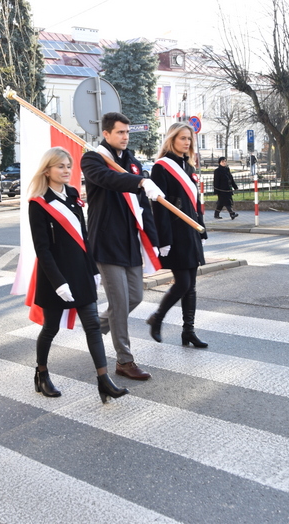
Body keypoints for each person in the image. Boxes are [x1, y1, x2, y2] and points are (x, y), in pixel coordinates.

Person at [27, 147, 129, 403]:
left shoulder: (73, 195)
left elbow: (83, 238)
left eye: (68, 166)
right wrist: (58, 282)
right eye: (60, 166)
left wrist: (93, 270)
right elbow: (42, 249)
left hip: (81, 272)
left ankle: (103, 380)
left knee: (93, 327)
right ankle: (41, 373)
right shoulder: (38, 204)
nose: (66, 171)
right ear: (47, 170)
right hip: (55, 277)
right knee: (50, 328)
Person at [81, 112, 164, 380]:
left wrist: (156, 241)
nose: (125, 137)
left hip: (130, 241)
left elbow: (144, 206)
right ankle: (124, 361)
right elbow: (109, 180)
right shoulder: (92, 159)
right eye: (120, 132)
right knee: (119, 301)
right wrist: (138, 181)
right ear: (106, 134)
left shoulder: (132, 162)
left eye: (127, 132)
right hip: (106, 241)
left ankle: (96, 326)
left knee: (135, 297)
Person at [145, 122, 209, 348]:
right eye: (183, 138)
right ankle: (157, 317)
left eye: (189, 139)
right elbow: (159, 207)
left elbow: (195, 201)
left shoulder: (188, 167)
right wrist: (164, 240)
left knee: (190, 285)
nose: (187, 142)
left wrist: (201, 226)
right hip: (175, 234)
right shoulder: (161, 167)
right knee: (182, 283)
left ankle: (188, 331)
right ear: (171, 139)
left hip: (190, 231)